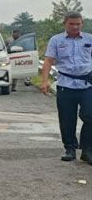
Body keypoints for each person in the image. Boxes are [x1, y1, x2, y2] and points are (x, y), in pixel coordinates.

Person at [40, 12, 92, 163]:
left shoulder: (89, 39)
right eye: (72, 24)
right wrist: (45, 81)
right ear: (65, 24)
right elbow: (49, 61)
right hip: (65, 85)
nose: (75, 26)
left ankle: (87, 149)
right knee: (67, 119)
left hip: (87, 84)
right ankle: (70, 148)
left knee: (90, 116)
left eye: (78, 24)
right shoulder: (56, 40)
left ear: (82, 23)